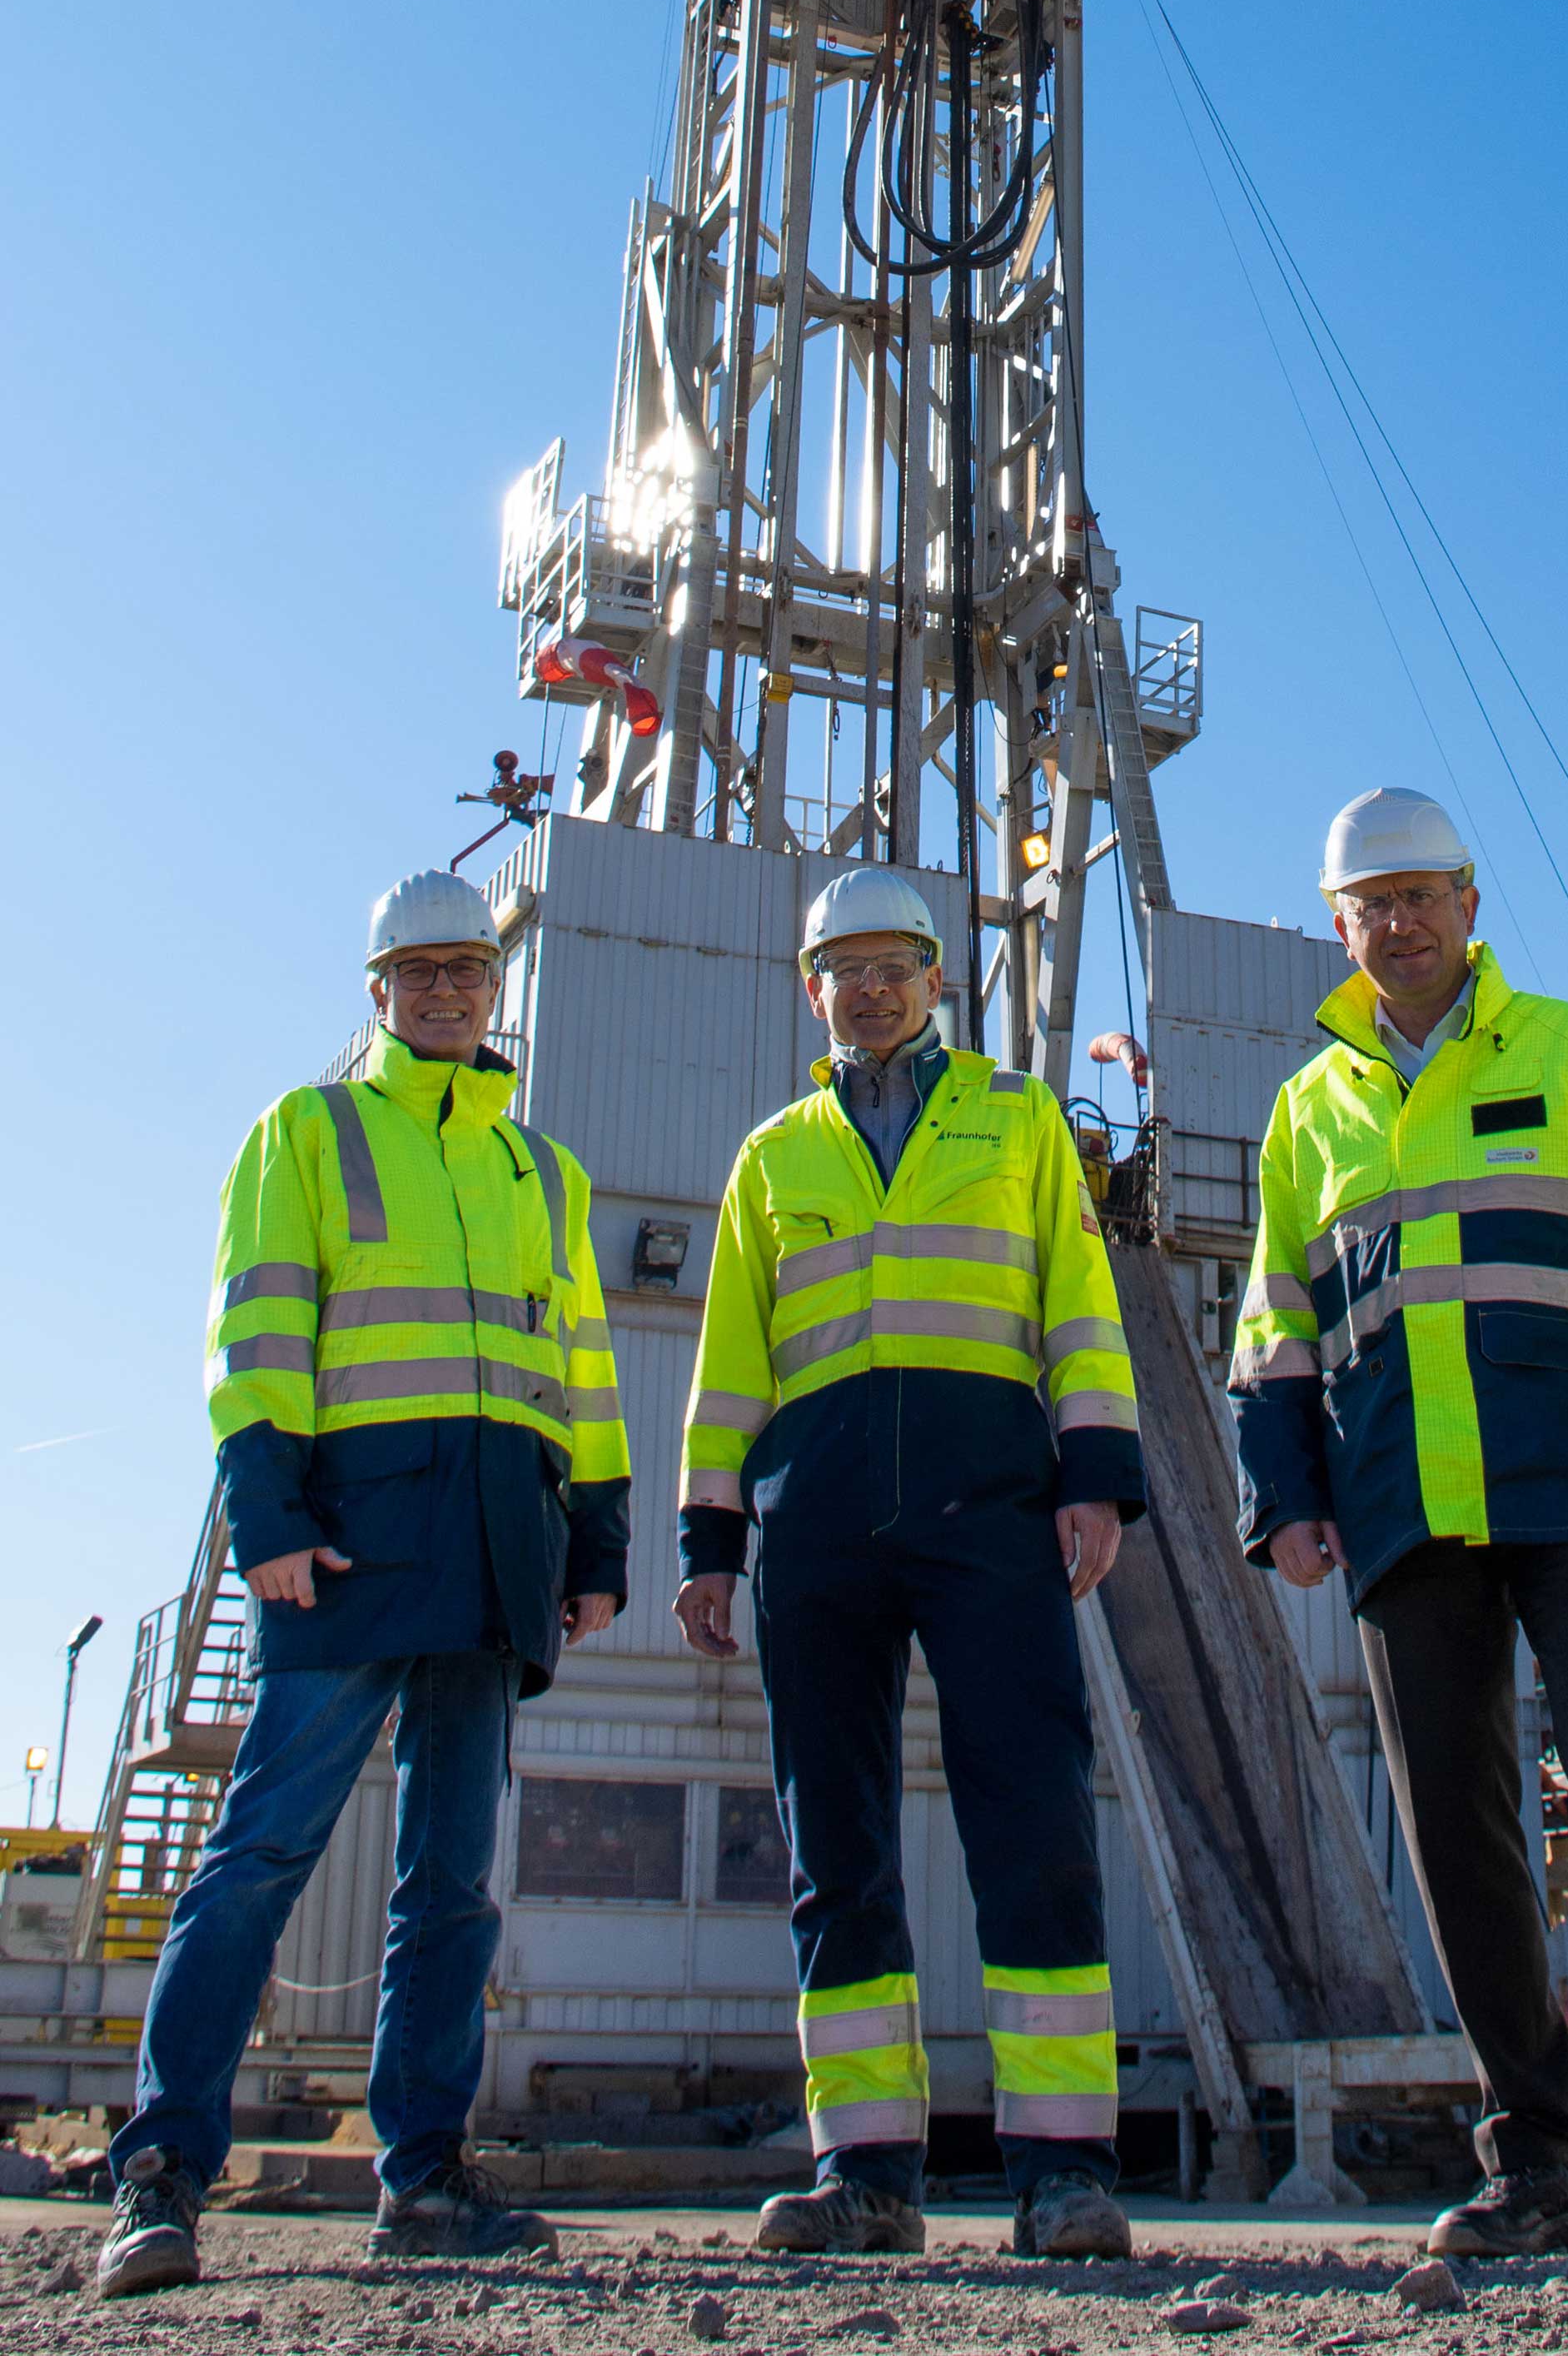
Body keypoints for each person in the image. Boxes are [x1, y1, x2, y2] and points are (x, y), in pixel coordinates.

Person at [1231, 789, 1568, 2262]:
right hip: (1401, 1506)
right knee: (1456, 1828)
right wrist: (1284, 1500)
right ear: (1337, 926)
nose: (1396, 923)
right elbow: (1270, 1331)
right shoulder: (1306, 1108)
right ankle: (1530, 2156)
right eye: (1369, 903)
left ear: (1469, 900)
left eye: (1420, 894)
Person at [98, 871, 630, 2304]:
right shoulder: (309, 1131)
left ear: (493, 982)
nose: (448, 990)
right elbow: (255, 1332)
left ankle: (426, 2175)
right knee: (262, 1851)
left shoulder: (542, 1169)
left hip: (494, 1548)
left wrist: (595, 1545)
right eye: (420, 972)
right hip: (342, 1546)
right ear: (378, 991)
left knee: (453, 1883)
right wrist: (265, 1513)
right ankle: (160, 2169)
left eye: (468, 967)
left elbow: (579, 1368)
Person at [674, 868, 1145, 2264]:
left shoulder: (1015, 1121)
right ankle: (865, 2168)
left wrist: (1098, 1476)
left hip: (988, 1500)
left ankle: (1063, 2168)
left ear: (943, 981)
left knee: (1033, 1815)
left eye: (898, 964)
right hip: (816, 1519)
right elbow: (726, 1368)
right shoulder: (772, 1156)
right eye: (845, 966)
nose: (871, 987)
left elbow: (1077, 1299)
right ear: (808, 986)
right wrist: (712, 1540)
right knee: (837, 1845)